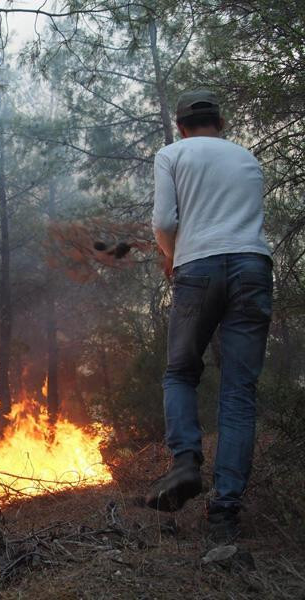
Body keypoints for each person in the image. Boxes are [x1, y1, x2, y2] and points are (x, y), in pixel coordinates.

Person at [144, 89, 273, 543]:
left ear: (181, 126)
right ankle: (225, 513)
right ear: (221, 123)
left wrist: (172, 255)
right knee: (238, 392)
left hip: (197, 267)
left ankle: (185, 464)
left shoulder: (172, 154)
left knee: (180, 372)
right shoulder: (247, 159)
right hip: (253, 268)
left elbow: (163, 220)